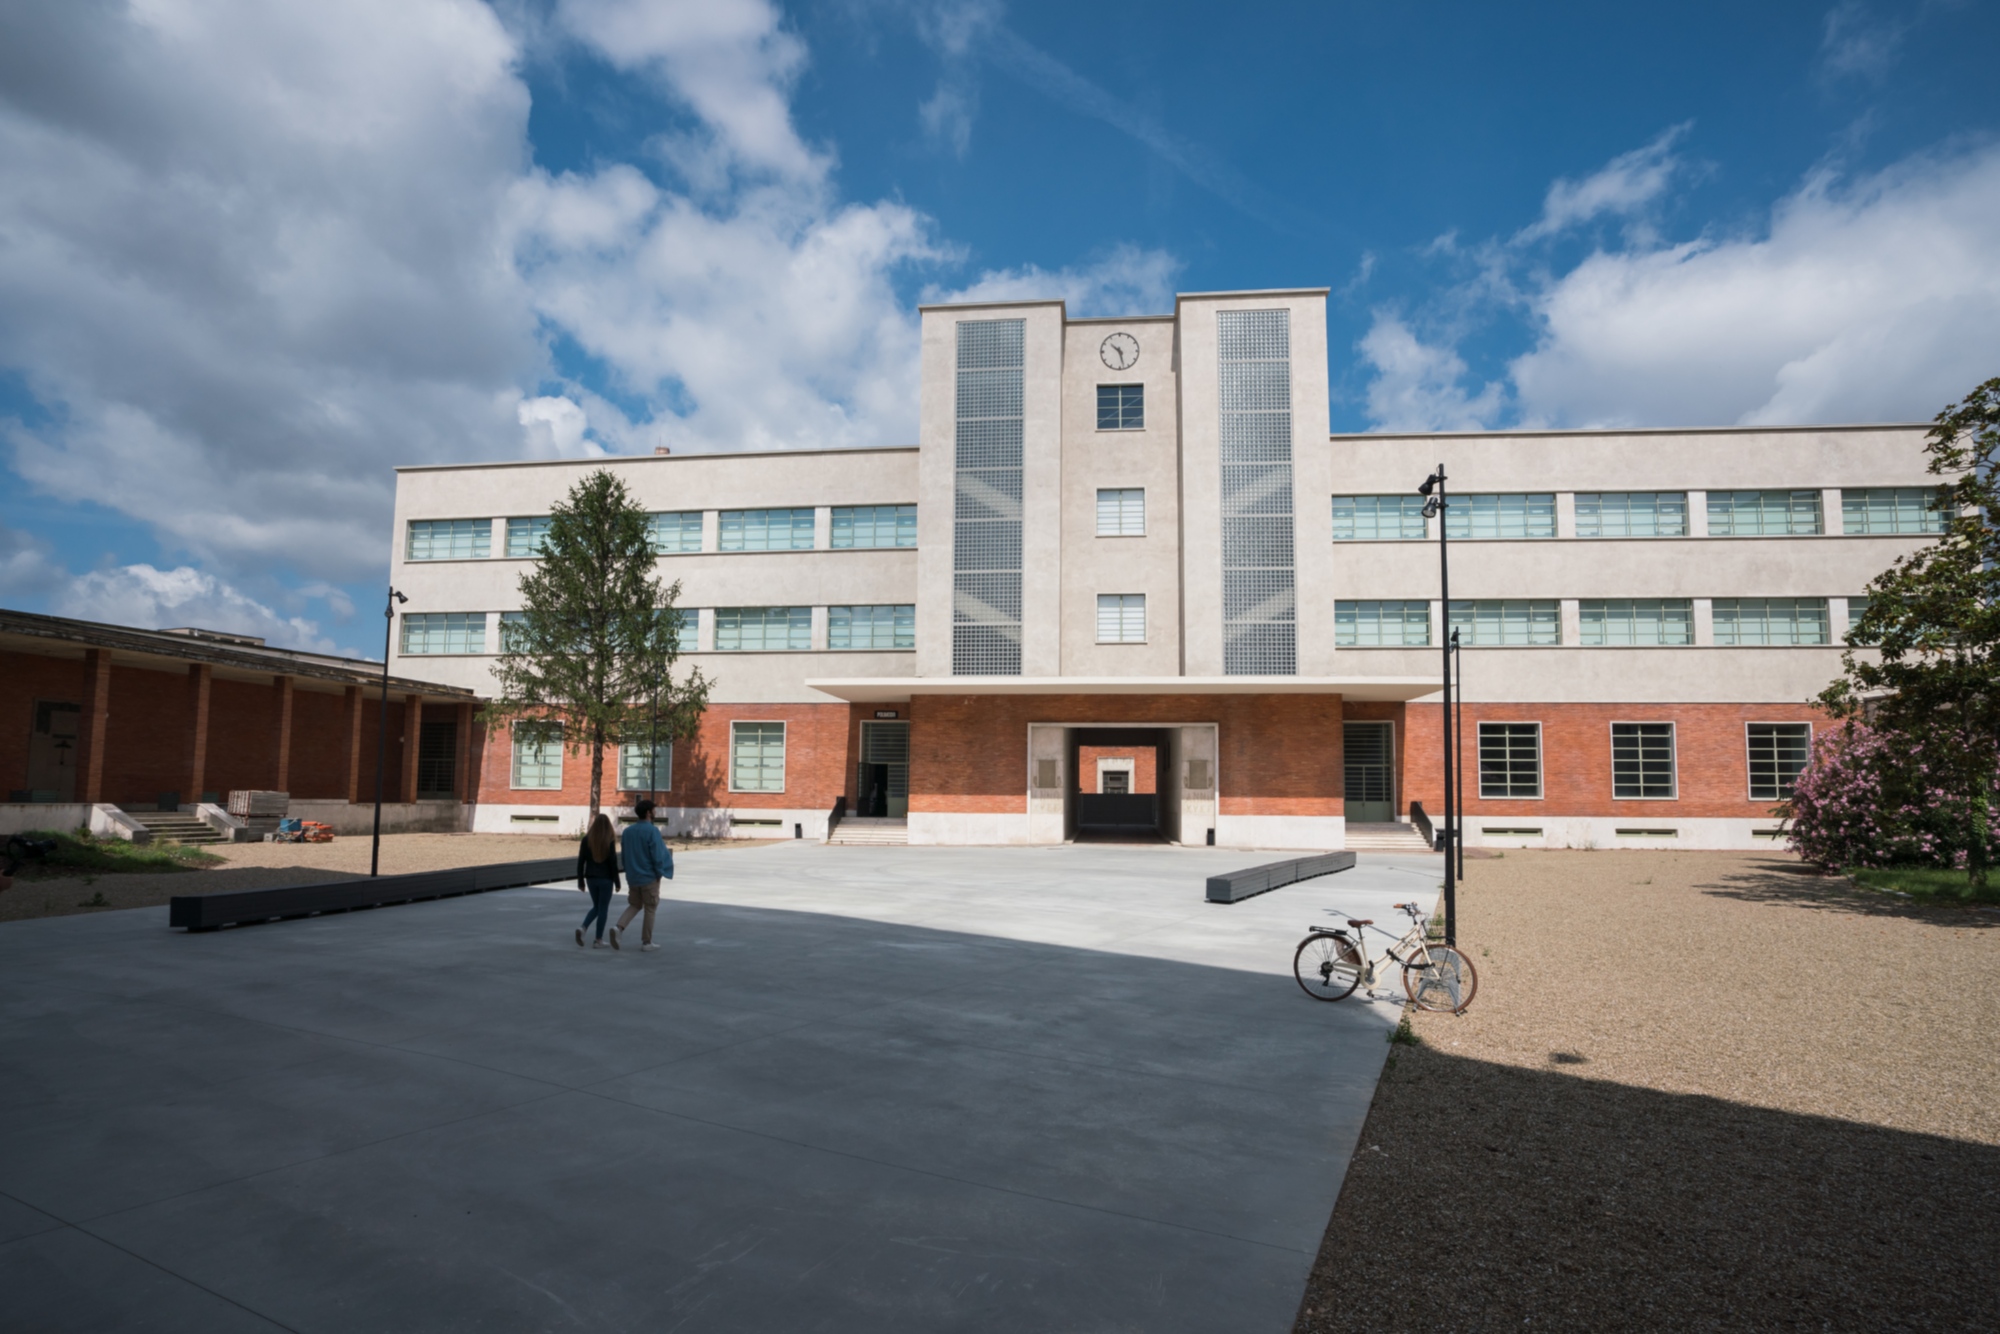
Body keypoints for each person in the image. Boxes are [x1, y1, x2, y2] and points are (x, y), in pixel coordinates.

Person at [612, 798, 673, 952]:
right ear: (648, 812)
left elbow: (624, 855)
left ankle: (618, 927)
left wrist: (628, 872)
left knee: (635, 904)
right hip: (649, 877)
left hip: (633, 877)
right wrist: (660, 873)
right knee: (650, 908)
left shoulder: (627, 832)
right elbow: (657, 856)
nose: (655, 812)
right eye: (654, 810)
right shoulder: (652, 831)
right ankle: (647, 942)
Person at [575, 813, 621, 949]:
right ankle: (598, 939)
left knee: (597, 907)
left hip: (591, 879)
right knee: (603, 909)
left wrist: (580, 881)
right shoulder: (609, 840)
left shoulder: (586, 840)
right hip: (606, 879)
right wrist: (617, 882)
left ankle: (583, 928)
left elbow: (580, 862)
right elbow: (613, 863)